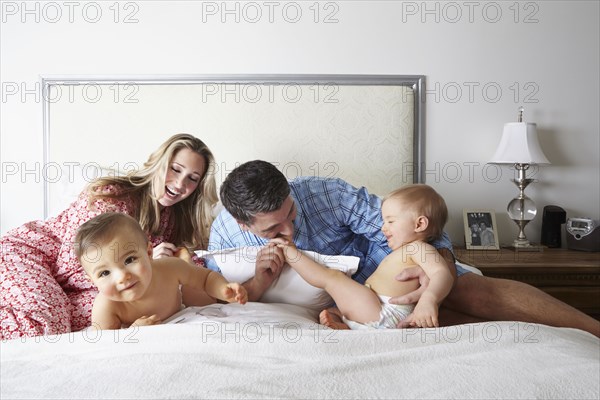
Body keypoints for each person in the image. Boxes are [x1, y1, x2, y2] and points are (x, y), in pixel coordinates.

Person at [209, 160, 600, 337]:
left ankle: (592, 330)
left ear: (290, 192)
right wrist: (259, 281)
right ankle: (529, 336)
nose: (289, 229)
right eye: (274, 228)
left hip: (383, 272)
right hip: (339, 307)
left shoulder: (326, 193)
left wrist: (434, 273)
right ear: (244, 224)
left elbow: (412, 222)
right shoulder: (226, 239)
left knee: (460, 289)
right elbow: (222, 301)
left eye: (291, 213)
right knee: (429, 324)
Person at [0, 133, 219, 340]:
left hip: (71, 288)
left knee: (117, 312)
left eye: (192, 178)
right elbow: (71, 269)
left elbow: (192, 276)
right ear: (159, 163)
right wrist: (149, 264)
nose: (181, 184)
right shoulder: (113, 196)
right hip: (30, 256)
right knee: (47, 327)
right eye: (175, 169)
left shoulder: (174, 221)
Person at [272, 184, 454, 329]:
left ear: (419, 224)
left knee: (332, 278)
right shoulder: (406, 250)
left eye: (390, 221)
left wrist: (429, 300)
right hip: (377, 311)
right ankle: (346, 324)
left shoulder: (419, 248)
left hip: (385, 313)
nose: (383, 227)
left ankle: (290, 253)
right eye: (383, 221)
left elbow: (442, 274)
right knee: (333, 304)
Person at [74, 213, 247, 330]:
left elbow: (205, 278)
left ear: (149, 253)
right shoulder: (106, 306)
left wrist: (223, 289)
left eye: (129, 260)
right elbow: (104, 348)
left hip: (180, 307)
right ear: (91, 280)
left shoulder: (168, 268)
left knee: (199, 296)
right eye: (104, 273)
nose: (122, 277)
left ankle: (186, 261)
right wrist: (133, 332)